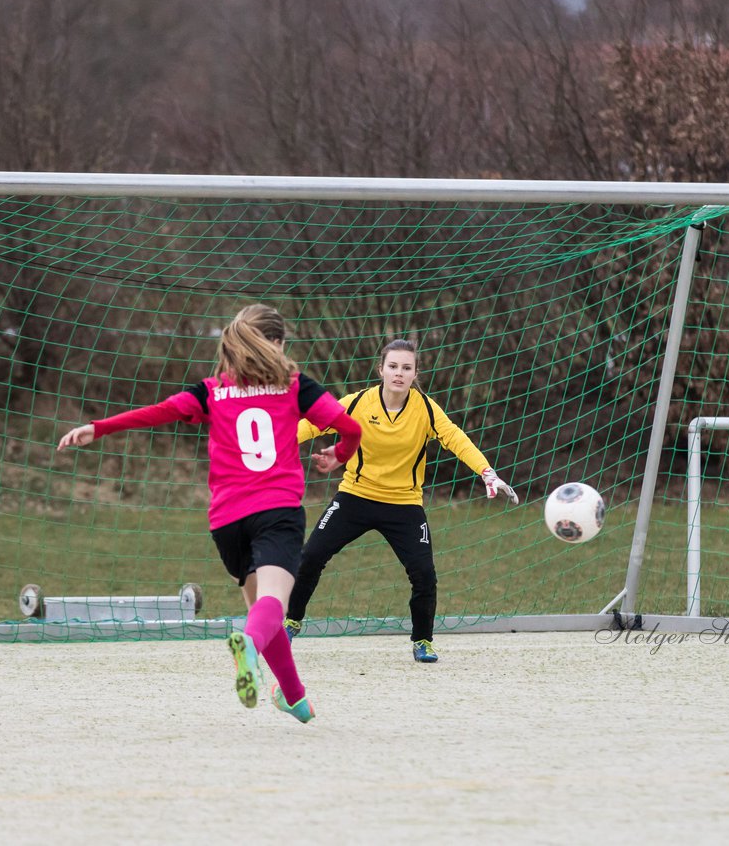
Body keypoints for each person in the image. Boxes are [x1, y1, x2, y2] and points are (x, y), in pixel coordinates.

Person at [58, 304, 361, 723]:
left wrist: (101, 427)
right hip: (277, 508)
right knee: (272, 604)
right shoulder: (295, 385)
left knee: (261, 610)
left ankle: (294, 697)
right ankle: (248, 648)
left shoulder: (212, 389)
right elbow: (352, 428)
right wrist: (338, 455)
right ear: (276, 344)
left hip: (227, 519)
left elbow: (160, 411)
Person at [289, 338, 519, 663]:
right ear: (381, 369)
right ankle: (291, 621)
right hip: (355, 496)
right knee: (311, 556)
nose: (399, 373)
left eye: (406, 368)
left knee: (424, 574)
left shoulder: (425, 409)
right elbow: (313, 424)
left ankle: (423, 641)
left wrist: (486, 471)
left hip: (404, 506)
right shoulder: (357, 403)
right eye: (393, 366)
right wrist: (274, 443)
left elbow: (456, 438)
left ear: (415, 374)